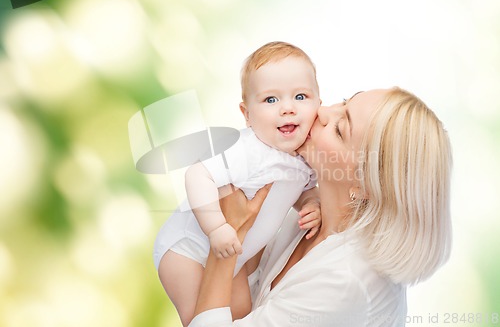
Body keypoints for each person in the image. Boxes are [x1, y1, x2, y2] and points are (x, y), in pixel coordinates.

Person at [189, 87, 453, 327]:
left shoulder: (346, 281)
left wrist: (228, 235)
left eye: (340, 129)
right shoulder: (312, 214)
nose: (322, 111)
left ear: (365, 187)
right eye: (344, 102)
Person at [153, 42, 323, 326]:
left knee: (243, 314)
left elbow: (304, 190)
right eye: (271, 100)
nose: (288, 108)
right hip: (186, 250)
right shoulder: (248, 149)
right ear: (247, 114)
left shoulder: (306, 157)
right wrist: (216, 227)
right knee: (199, 315)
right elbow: (197, 175)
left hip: (235, 259)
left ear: (319, 102)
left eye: (301, 96)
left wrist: (312, 204)